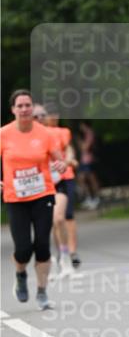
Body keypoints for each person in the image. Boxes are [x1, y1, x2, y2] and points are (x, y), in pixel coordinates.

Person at [0, 90, 66, 309]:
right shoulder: (4, 134)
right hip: (15, 197)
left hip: (42, 194)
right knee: (23, 249)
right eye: (20, 106)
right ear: (13, 110)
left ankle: (42, 292)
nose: (25, 109)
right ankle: (20, 275)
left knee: (42, 245)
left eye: (27, 105)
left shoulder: (45, 133)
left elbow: (60, 160)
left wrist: (61, 164)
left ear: (32, 107)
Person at [33, 104, 80, 273]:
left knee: (65, 217)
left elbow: (68, 150)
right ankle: (61, 252)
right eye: (48, 114)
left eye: (55, 113)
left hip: (63, 178)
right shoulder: (32, 135)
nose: (52, 117)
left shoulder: (60, 132)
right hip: (43, 182)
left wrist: (69, 161)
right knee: (52, 220)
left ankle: (71, 252)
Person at [76, 121, 101, 208]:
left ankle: (96, 198)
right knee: (82, 178)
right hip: (84, 160)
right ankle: (89, 197)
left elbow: (84, 147)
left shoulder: (89, 133)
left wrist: (80, 143)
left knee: (91, 179)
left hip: (89, 160)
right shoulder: (85, 135)